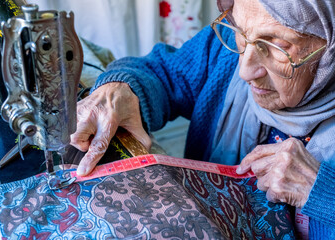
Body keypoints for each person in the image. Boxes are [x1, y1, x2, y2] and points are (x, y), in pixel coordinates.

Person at [70, 0, 335, 238]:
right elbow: (163, 72)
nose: (244, 71)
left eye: (277, 46)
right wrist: (120, 90)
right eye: (241, 33)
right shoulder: (226, 52)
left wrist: (323, 191)